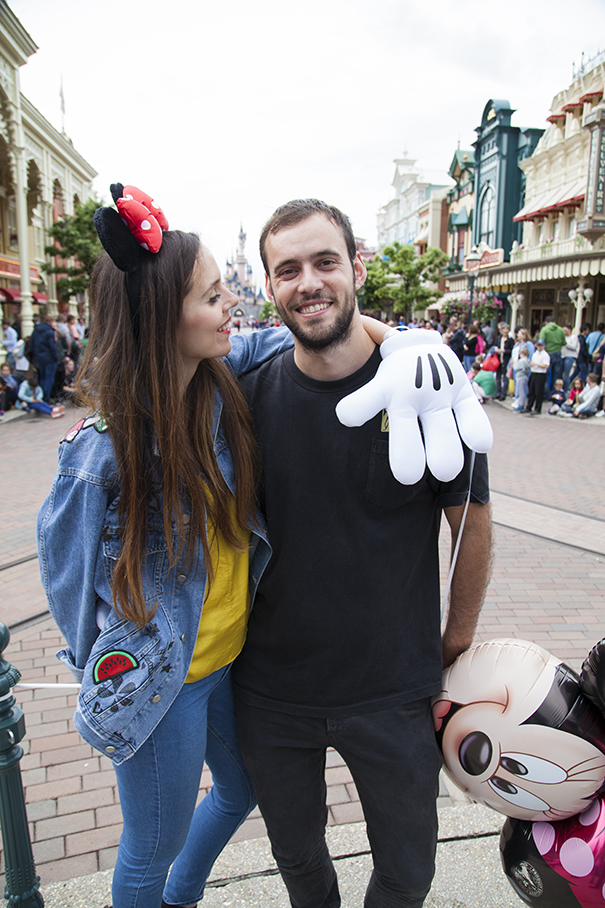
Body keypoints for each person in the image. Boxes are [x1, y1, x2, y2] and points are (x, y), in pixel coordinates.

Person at [37, 185, 295, 908]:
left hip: (226, 660)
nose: (230, 308)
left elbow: (283, 337)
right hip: (164, 680)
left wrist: (389, 340)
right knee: (151, 845)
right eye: (212, 297)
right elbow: (66, 579)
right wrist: (104, 660)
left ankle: (183, 897)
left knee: (241, 789)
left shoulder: (217, 385)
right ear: (162, 315)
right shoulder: (103, 451)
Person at [228, 199, 491, 908]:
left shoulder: (425, 388)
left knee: (408, 872)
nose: (307, 282)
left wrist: (454, 642)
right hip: (272, 689)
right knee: (297, 858)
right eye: (287, 270)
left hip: (391, 687)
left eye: (324, 262)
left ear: (356, 269)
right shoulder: (246, 397)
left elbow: (470, 522)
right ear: (269, 286)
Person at [29, 314, 58, 401]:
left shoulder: (36, 330)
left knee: (41, 377)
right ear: (50, 321)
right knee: (48, 377)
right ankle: (47, 396)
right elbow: (52, 346)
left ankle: (40, 395)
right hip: (49, 357)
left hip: (39, 357)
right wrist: (56, 357)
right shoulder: (49, 331)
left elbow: (32, 343)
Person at [524, 338, 550, 415]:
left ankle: (538, 408)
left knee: (538, 392)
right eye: (538, 345)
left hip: (540, 374)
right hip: (534, 372)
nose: (539, 347)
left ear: (544, 346)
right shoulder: (535, 354)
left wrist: (536, 364)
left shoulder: (545, 355)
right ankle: (529, 406)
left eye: (541, 345)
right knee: (531, 391)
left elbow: (546, 365)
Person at [539, 315, 565, 391]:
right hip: (557, 353)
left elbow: (541, 342)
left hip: (547, 353)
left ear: (546, 322)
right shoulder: (560, 330)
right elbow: (564, 342)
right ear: (555, 322)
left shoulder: (545, 329)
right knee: (556, 375)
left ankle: (545, 394)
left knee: (546, 375)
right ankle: (555, 392)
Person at [494, 321, 514, 401]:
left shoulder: (510, 340)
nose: (505, 331)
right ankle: (498, 392)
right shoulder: (498, 339)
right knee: (498, 377)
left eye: (507, 329)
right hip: (498, 360)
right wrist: (496, 351)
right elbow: (494, 346)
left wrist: (504, 351)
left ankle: (503, 394)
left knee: (505, 378)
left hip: (506, 360)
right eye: (504, 329)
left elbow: (511, 351)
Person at [561, 325, 579, 392]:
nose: (564, 332)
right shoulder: (563, 337)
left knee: (566, 374)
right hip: (562, 356)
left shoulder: (574, 337)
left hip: (570, 357)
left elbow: (573, 347)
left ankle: (566, 389)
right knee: (560, 373)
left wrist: (565, 343)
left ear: (570, 330)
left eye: (566, 330)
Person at [512, 346, 531, 412]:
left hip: (521, 377)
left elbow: (516, 368)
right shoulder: (528, 361)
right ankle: (520, 404)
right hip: (523, 377)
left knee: (521, 391)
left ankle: (520, 405)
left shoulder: (522, 361)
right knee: (521, 390)